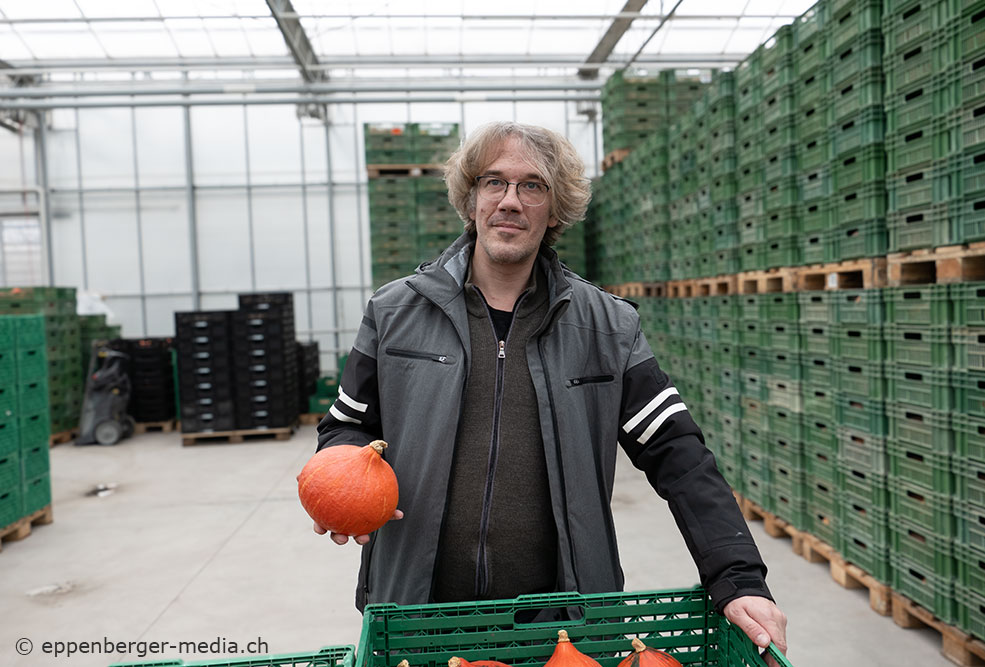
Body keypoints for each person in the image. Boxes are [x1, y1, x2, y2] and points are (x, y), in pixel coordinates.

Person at [313, 121, 787, 663]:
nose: (510, 201)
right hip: (417, 613)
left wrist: (739, 578)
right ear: (470, 201)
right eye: (494, 182)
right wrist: (340, 480)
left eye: (532, 186)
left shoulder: (608, 329)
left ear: (555, 209)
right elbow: (345, 424)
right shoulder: (394, 313)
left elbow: (679, 456)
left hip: (561, 626)